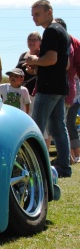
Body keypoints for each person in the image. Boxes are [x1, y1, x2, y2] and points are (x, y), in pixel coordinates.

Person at [23, 0, 71, 177]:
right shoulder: (61, 31)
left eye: (37, 14)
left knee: (36, 126)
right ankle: (63, 167)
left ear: (49, 12)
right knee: (59, 128)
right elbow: (61, 63)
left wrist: (34, 60)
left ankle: (34, 166)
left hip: (49, 87)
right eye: (33, 15)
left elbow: (51, 59)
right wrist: (38, 67)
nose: (34, 18)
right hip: (59, 86)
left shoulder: (51, 31)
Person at [56, 18, 80, 162]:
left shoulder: (73, 44)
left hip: (70, 91)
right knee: (61, 123)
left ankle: (71, 156)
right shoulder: (59, 42)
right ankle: (69, 157)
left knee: (65, 123)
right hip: (60, 88)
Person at [16, 31, 41, 95]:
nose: (31, 42)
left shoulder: (42, 55)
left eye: (34, 40)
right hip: (21, 91)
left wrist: (34, 71)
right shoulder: (23, 55)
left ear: (40, 42)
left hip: (35, 91)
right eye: (29, 40)